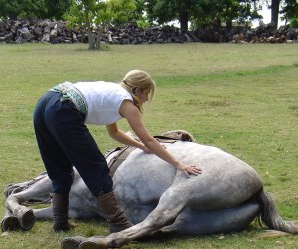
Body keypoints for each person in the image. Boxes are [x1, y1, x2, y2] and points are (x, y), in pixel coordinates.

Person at [33, 70, 202, 233]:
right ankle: (118, 223)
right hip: (63, 110)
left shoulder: (112, 92)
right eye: (147, 94)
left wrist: (138, 145)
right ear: (138, 90)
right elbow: (150, 140)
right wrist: (179, 164)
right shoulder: (127, 104)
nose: (146, 99)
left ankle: (60, 222)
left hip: (46, 101)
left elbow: (114, 132)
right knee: (96, 166)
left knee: (59, 166)